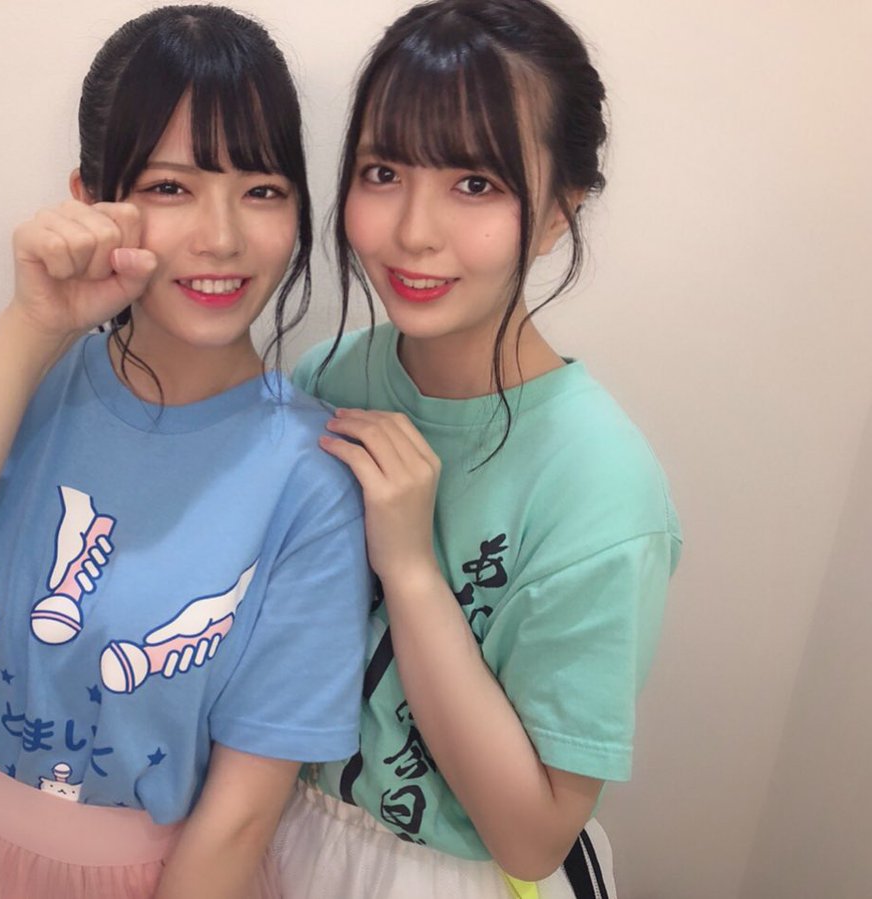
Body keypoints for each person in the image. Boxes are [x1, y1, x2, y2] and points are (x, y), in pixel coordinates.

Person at [0, 7, 370, 898]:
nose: (222, 237)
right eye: (170, 187)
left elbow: (240, 819)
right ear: (91, 200)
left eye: (263, 189)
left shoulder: (310, 477)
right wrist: (28, 331)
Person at [272, 2, 682, 897]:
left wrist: (412, 568)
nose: (414, 230)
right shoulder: (328, 378)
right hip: (287, 837)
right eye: (384, 171)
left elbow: (532, 837)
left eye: (475, 183)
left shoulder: (601, 487)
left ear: (558, 213)